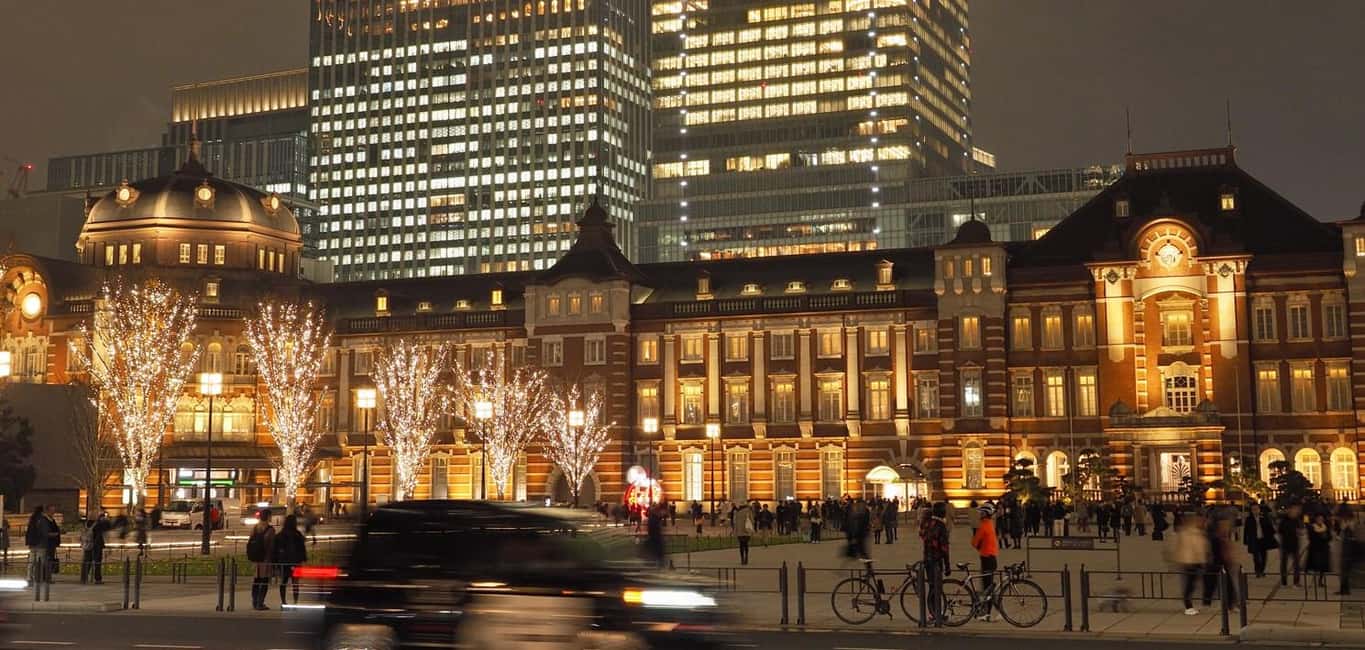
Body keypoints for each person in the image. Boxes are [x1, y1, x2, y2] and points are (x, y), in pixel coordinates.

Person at [1169, 512, 1210, 616]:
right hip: (1190, 562)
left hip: (1193, 561)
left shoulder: (1194, 533)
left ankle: (1190, 604)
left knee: (1192, 584)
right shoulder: (1189, 533)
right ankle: (1188, 606)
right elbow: (1195, 548)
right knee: (1189, 585)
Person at [920, 502, 952, 626]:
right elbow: (944, 547)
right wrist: (948, 565)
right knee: (937, 588)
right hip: (937, 560)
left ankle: (932, 613)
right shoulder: (940, 526)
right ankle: (936, 614)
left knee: (932, 587)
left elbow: (923, 536)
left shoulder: (926, 523)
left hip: (927, 559)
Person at [1202, 515, 1239, 610]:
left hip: (1223, 564)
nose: (1226, 528)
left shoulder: (1225, 537)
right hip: (1214, 564)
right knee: (1210, 584)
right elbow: (1210, 552)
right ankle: (1207, 602)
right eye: (1224, 526)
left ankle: (1230, 604)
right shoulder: (1214, 538)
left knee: (1228, 585)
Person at [273, 515, 308, 605]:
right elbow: (302, 549)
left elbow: (275, 549)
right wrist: (303, 559)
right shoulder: (297, 534)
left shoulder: (280, 535)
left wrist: (275, 562)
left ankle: (283, 601)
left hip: (284, 562)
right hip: (295, 562)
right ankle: (295, 601)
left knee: (283, 582)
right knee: (295, 583)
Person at [247, 509, 277, 610]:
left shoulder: (255, 528)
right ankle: (260, 603)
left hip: (256, 560)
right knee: (264, 582)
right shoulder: (270, 530)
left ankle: (254, 601)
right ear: (268, 517)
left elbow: (250, 542)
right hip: (265, 559)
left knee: (256, 581)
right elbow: (272, 547)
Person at [971, 503, 1000, 603]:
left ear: (984, 514)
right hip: (993, 557)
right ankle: (991, 609)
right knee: (989, 584)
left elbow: (974, 542)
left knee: (987, 586)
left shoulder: (983, 526)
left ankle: (987, 610)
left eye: (981, 513)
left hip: (986, 557)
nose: (979, 515)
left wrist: (979, 547)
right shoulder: (990, 524)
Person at [1243, 503, 1275, 578]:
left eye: (1256, 509)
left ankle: (1262, 571)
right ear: (1251, 511)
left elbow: (1270, 528)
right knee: (1256, 557)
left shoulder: (1264, 518)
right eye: (1253, 509)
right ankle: (1257, 571)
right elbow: (1246, 530)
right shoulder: (1249, 519)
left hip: (1263, 540)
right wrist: (1245, 540)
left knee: (1264, 557)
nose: (1255, 511)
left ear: (1259, 509)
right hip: (1254, 540)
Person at [80, 511, 112, 584]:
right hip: (96, 546)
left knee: (87, 561)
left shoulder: (86, 524)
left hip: (87, 545)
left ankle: (84, 578)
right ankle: (98, 579)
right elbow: (108, 527)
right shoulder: (98, 524)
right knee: (97, 562)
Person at [1278, 504, 1303, 587]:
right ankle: (1284, 581)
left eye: (1296, 510)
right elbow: (1280, 532)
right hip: (1285, 544)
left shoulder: (1297, 520)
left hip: (1295, 544)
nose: (1295, 512)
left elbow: (1300, 531)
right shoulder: (1284, 520)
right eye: (1293, 510)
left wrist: (1299, 534)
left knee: (1296, 564)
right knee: (1284, 564)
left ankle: (1296, 581)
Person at [25, 506, 51, 583]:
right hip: (41, 544)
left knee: (31, 562)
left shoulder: (32, 519)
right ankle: (38, 577)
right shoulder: (42, 520)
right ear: (42, 511)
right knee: (39, 562)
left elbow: (28, 531)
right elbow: (45, 532)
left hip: (32, 544)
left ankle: (29, 577)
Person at [1306, 513, 1332, 587]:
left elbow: (1330, 537)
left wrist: (1326, 537)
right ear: (1316, 519)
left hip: (1324, 549)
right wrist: (1320, 537)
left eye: (1321, 518)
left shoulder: (1325, 527)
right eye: (1319, 518)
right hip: (1315, 549)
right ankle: (1312, 582)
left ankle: (1320, 581)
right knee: (1315, 566)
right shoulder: (1312, 527)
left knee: (1322, 567)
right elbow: (1310, 537)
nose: (1320, 520)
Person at [1338, 504, 1357, 595]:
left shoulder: (1351, 525)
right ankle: (1344, 589)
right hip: (1344, 550)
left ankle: (1345, 590)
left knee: (1346, 571)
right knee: (1344, 571)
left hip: (1349, 551)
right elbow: (1341, 533)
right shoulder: (1345, 524)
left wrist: (1346, 525)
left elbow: (1351, 533)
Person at [731, 501, 755, 565]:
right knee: (746, 545)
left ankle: (742, 559)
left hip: (739, 531)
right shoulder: (748, 511)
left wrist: (734, 531)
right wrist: (752, 530)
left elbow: (734, 522)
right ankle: (746, 557)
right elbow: (752, 520)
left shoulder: (736, 512)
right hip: (747, 530)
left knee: (741, 545)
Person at [644, 503, 666, 567]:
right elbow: (652, 528)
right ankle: (656, 564)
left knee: (656, 552)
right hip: (655, 538)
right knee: (656, 552)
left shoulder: (654, 517)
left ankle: (656, 563)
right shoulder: (653, 518)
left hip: (655, 538)